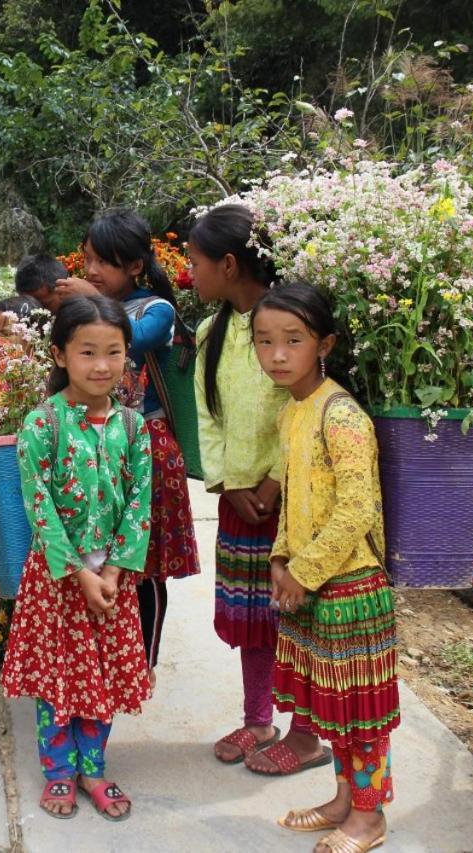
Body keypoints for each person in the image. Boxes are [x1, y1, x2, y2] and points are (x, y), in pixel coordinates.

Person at [252, 283, 398, 852]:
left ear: (325, 344)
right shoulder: (294, 413)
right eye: (265, 342)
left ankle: (370, 817)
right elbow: (294, 496)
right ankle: (344, 801)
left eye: (293, 340)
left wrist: (304, 571)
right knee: (332, 706)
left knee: (361, 714)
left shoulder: (341, 416)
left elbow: (356, 508)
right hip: (314, 586)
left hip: (352, 587)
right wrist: (280, 558)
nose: (278, 354)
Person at [1, 294, 154, 822]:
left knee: (102, 676)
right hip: (57, 579)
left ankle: (94, 768)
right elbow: (37, 505)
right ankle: (59, 772)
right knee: (57, 677)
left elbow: (139, 504)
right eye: (88, 352)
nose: (102, 365)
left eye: (114, 352)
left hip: (114, 581)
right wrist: (80, 573)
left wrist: (112, 570)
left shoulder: (134, 428)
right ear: (61, 355)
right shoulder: (41, 424)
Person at [186, 206, 313, 769]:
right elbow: (206, 415)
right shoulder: (211, 332)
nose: (190, 273)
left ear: (230, 264)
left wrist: (277, 480)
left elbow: (306, 404)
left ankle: (305, 732)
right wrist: (229, 482)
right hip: (240, 502)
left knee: (300, 615)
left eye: (196, 262)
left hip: (296, 503)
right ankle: (258, 722)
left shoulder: (288, 325)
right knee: (255, 618)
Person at [57, 210, 200, 671]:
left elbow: (130, 339)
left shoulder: (158, 309)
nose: (92, 272)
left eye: (105, 262)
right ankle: (107, 656)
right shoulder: (95, 302)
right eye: (88, 260)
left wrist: (89, 300)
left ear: (136, 266)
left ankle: (143, 663)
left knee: (144, 564)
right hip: (94, 444)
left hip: (147, 447)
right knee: (97, 555)